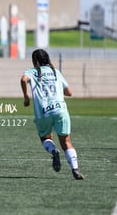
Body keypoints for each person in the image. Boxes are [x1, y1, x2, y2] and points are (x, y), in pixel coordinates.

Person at [20, 49, 84, 180]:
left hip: (43, 112)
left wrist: (26, 97)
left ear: (35, 61)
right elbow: (69, 92)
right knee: (66, 142)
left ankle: (53, 151)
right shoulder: (56, 72)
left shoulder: (32, 72)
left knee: (45, 138)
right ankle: (75, 169)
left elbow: (23, 79)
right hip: (60, 110)